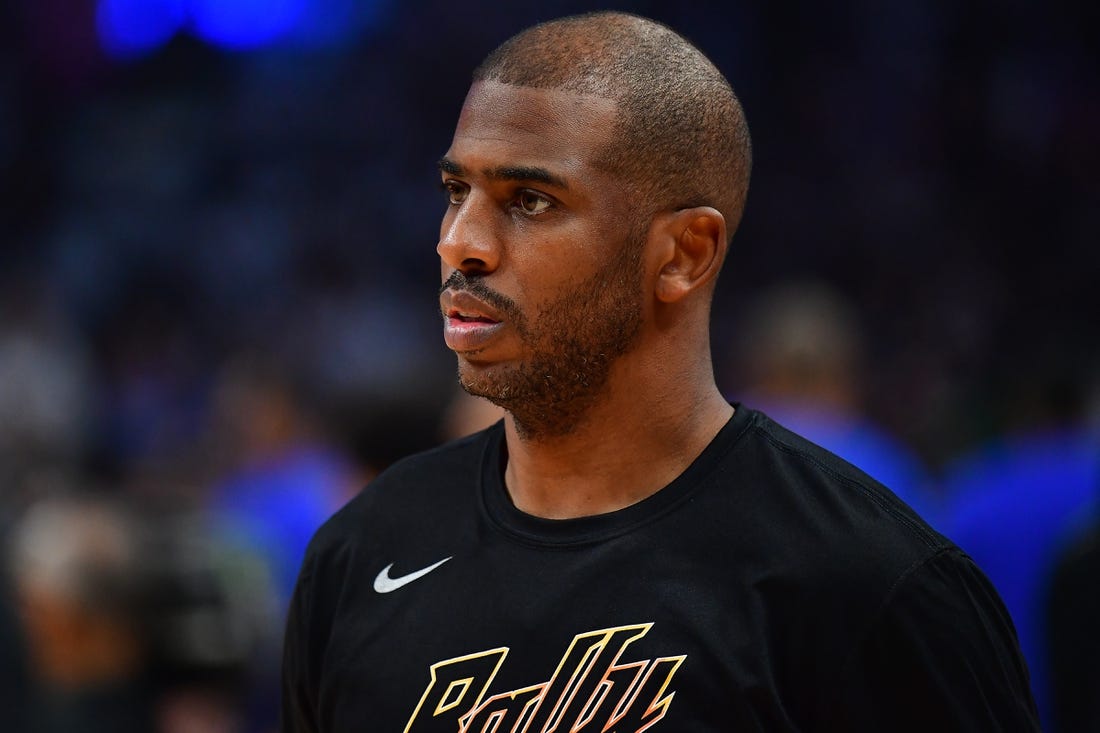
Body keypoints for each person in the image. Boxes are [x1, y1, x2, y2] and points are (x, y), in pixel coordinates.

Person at [281, 12, 1039, 731]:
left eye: (531, 200)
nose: (459, 242)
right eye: (456, 191)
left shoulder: (871, 587)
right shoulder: (361, 551)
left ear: (683, 254)